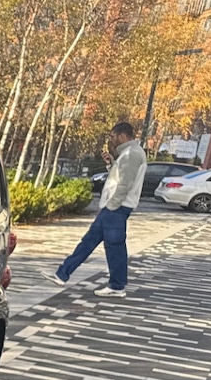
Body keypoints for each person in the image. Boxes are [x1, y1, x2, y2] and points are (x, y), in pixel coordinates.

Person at [50, 121, 146, 298]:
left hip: (117, 208)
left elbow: (124, 184)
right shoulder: (127, 153)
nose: (111, 139)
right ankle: (62, 274)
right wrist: (111, 164)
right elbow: (119, 177)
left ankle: (117, 286)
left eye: (113, 136)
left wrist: (112, 205)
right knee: (89, 241)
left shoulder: (132, 154)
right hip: (112, 207)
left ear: (123, 135)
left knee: (114, 246)